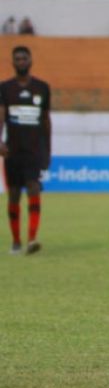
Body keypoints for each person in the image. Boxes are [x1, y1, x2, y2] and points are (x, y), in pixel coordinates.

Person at [0, 46, 51, 255]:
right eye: (17, 59)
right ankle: (16, 241)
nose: (21, 62)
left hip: (34, 151)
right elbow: (1, 115)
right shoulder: (5, 88)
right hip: (12, 151)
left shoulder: (42, 88)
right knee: (13, 195)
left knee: (33, 188)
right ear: (13, 62)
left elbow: (46, 120)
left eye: (24, 58)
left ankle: (32, 239)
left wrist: (47, 150)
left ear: (30, 61)